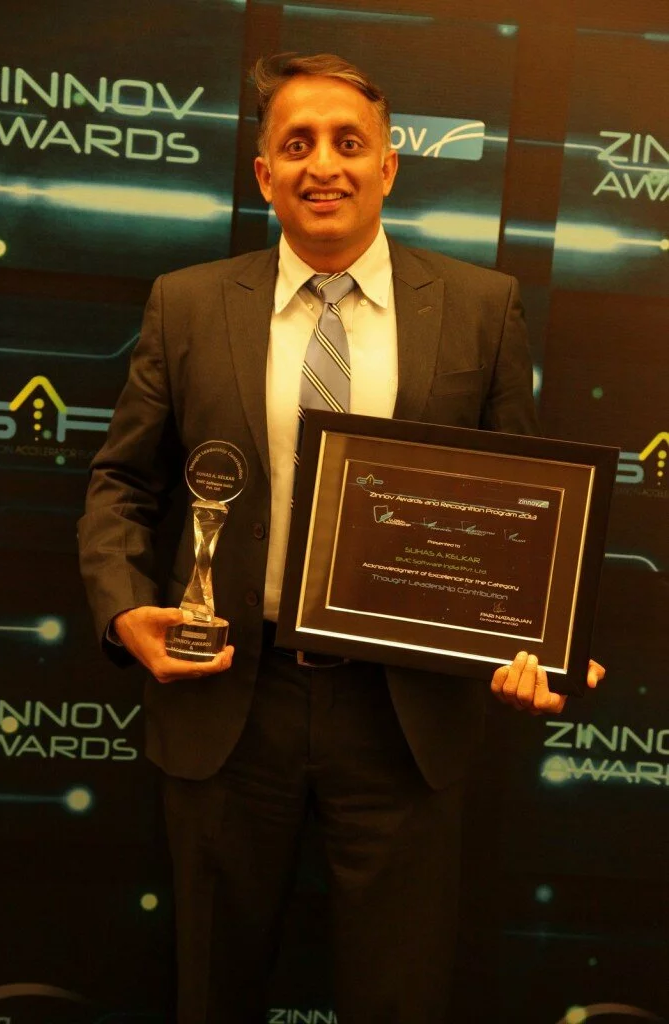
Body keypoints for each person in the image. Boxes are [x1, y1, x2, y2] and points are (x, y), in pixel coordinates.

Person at [78, 53, 604, 1024]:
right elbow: (120, 481)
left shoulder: (482, 308)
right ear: (264, 173)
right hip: (230, 698)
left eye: (348, 142)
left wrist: (539, 638)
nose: (324, 164)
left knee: (400, 999)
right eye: (297, 144)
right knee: (211, 994)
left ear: (388, 165)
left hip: (403, 718)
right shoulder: (186, 303)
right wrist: (122, 613)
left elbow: (522, 508)